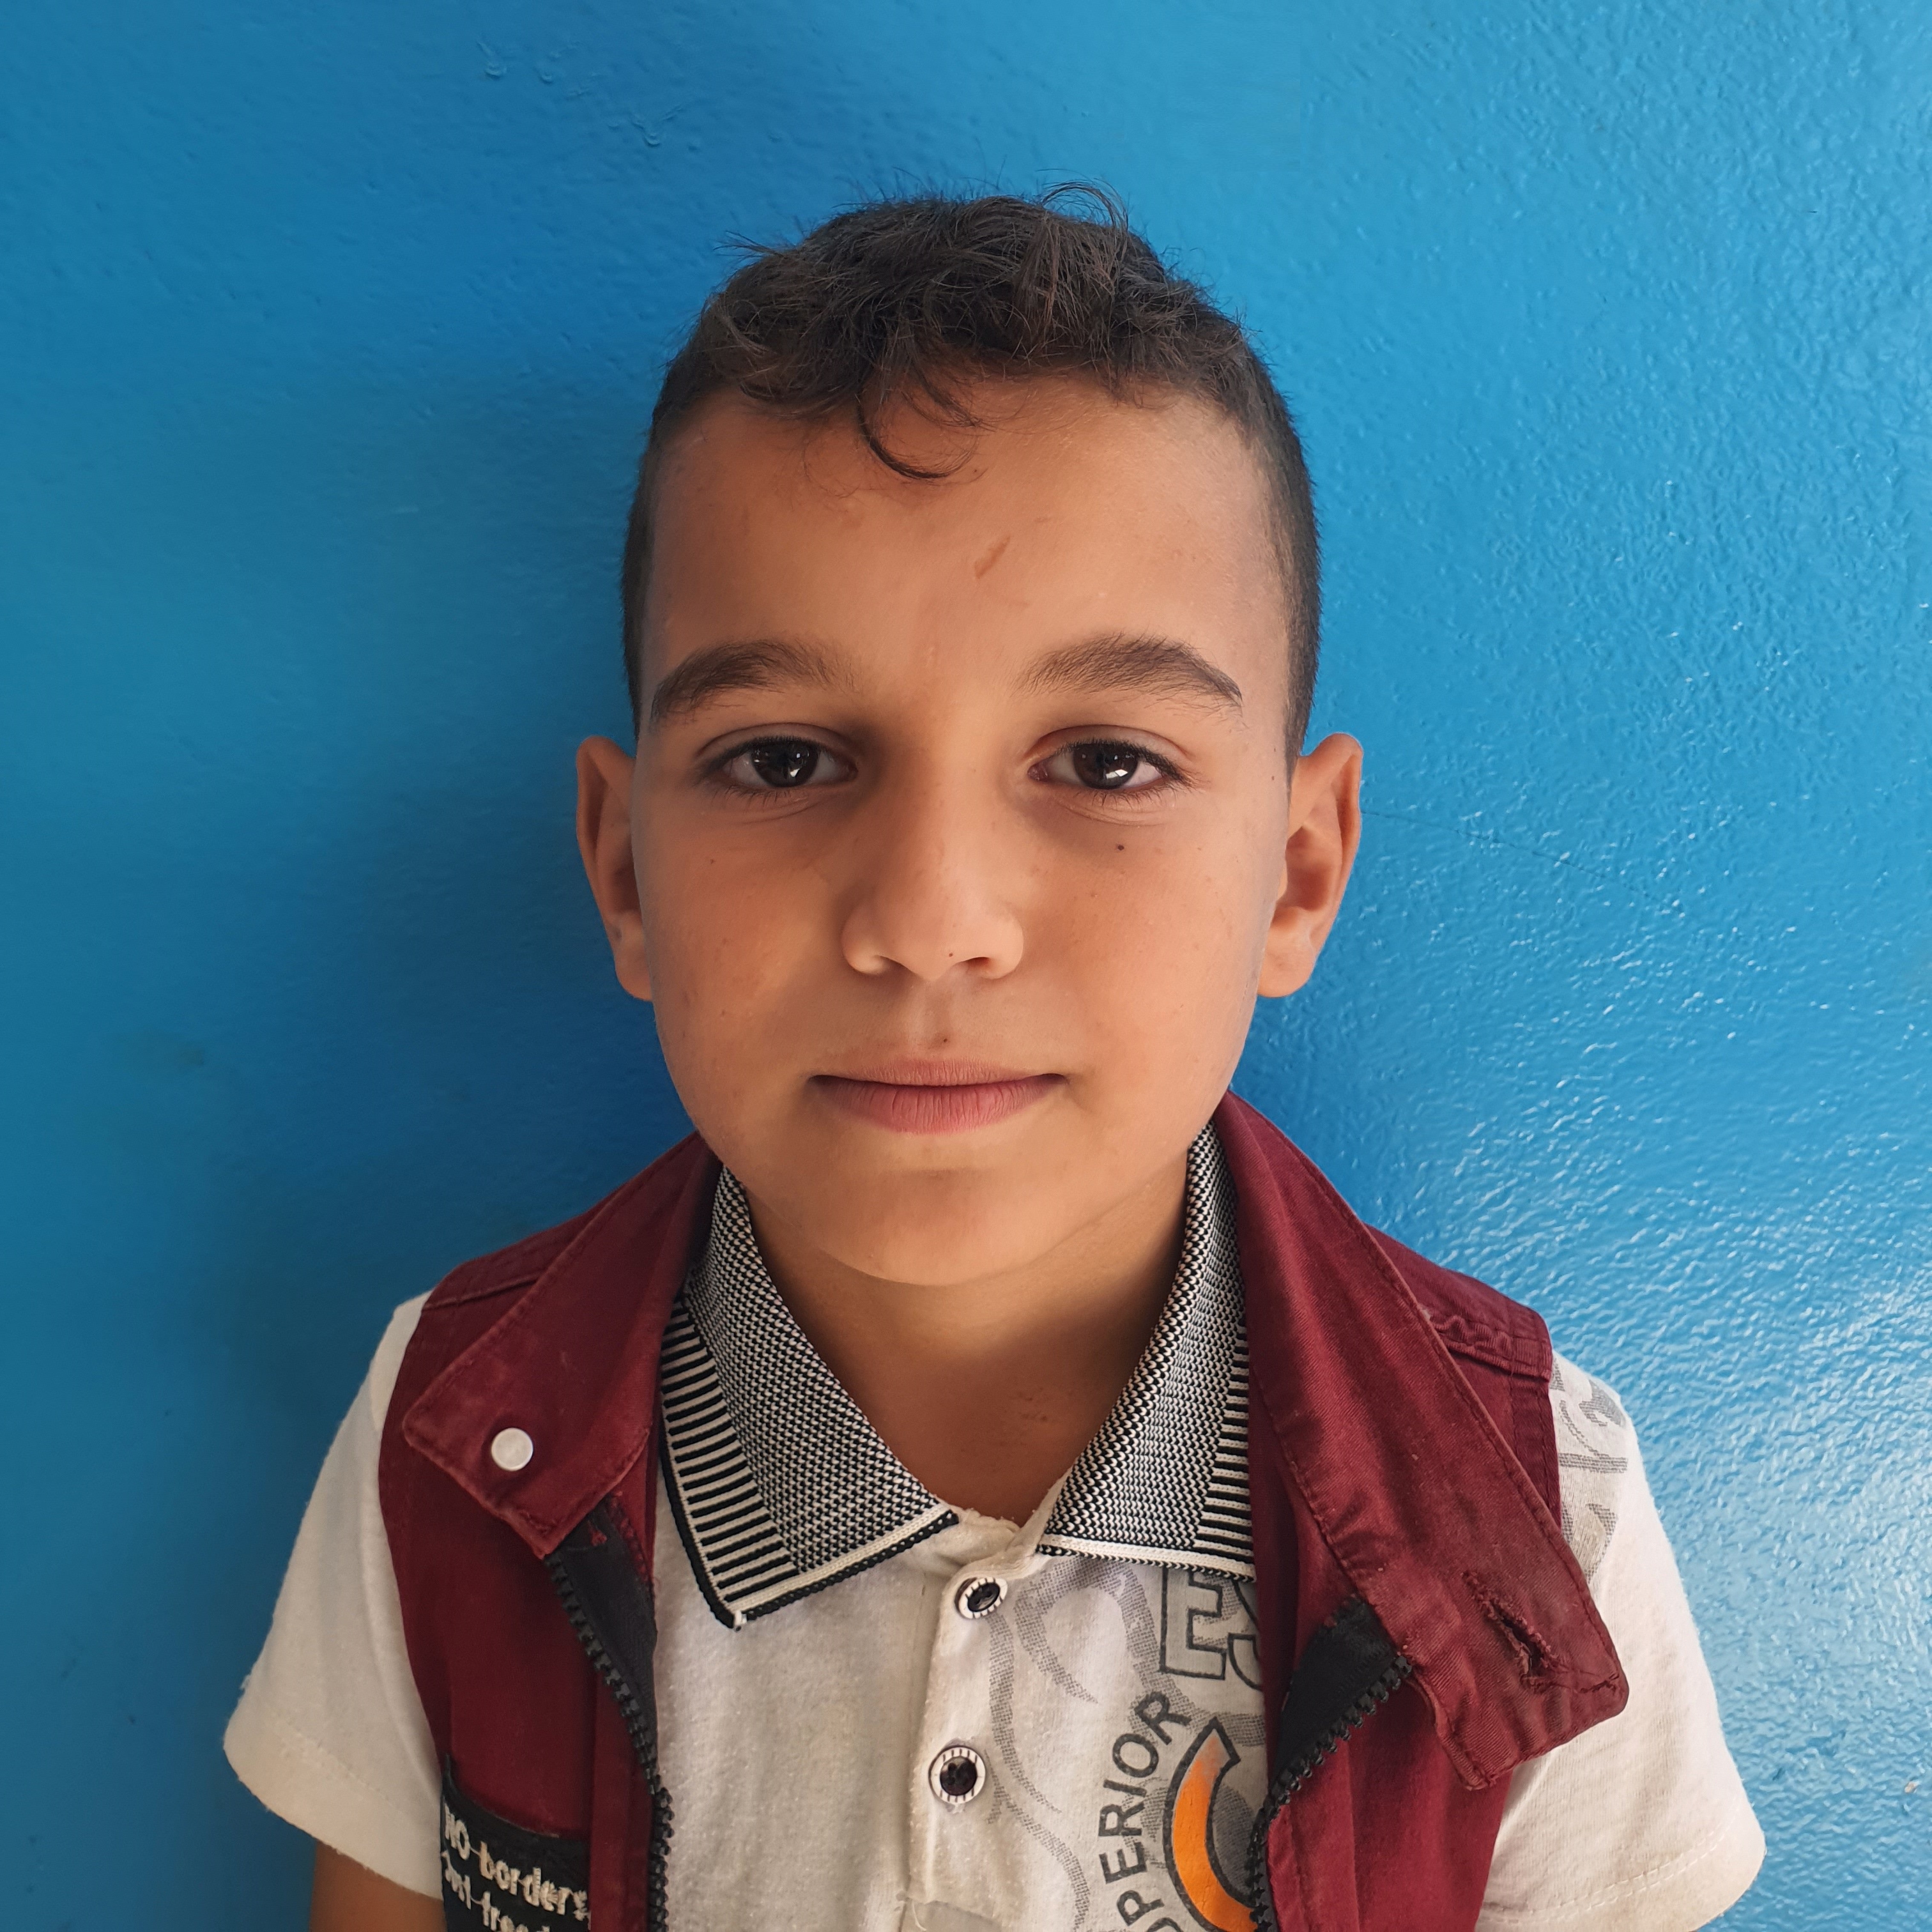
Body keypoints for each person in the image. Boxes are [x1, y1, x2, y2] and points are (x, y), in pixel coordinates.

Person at [224, 189, 1763, 1932]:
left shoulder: (1541, 1504)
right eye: (785, 760)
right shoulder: (452, 1433)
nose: (930, 922)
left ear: (1296, 874)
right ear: (625, 870)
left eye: (1105, 763)